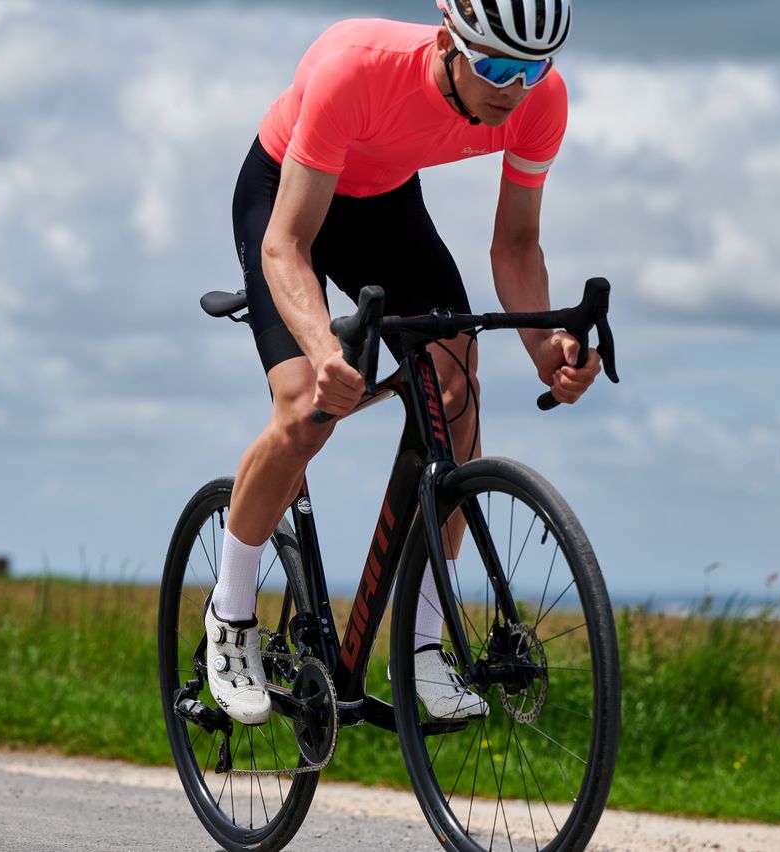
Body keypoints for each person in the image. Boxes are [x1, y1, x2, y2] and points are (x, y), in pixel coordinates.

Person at [205, 0, 602, 726]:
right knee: (304, 407)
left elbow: (515, 247)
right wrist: (326, 352)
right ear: (450, 41)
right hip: (285, 200)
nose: (513, 89)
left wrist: (548, 349)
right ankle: (230, 618)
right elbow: (285, 247)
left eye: (533, 68)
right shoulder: (358, 70)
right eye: (496, 66)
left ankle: (420, 647)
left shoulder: (540, 100)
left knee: (456, 386)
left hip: (383, 205)